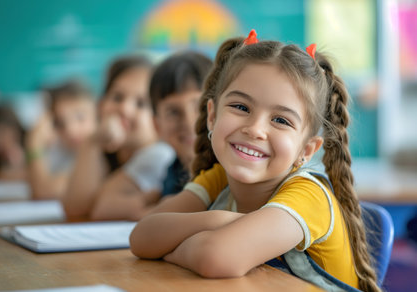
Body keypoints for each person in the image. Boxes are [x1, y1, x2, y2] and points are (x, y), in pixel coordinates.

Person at [130, 31, 381, 292]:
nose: (255, 129)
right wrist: (217, 221)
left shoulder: (308, 197)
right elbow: (142, 236)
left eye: (281, 120)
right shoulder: (219, 176)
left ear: (306, 150)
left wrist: (170, 248)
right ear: (212, 116)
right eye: (241, 107)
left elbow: (215, 257)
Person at [63, 55, 175, 221]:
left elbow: (91, 209)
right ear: (101, 105)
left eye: (141, 103)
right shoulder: (104, 151)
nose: (125, 109)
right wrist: (91, 142)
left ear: (158, 120)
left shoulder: (160, 154)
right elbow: (74, 208)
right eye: (117, 97)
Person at [150, 51, 212, 197]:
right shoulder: (173, 172)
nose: (189, 122)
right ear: (157, 126)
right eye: (173, 112)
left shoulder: (231, 176)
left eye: (200, 107)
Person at [26, 80, 97, 200]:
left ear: (98, 115)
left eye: (80, 117)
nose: (71, 130)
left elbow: (44, 191)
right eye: (60, 123)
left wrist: (34, 143)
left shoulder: (97, 154)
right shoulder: (65, 152)